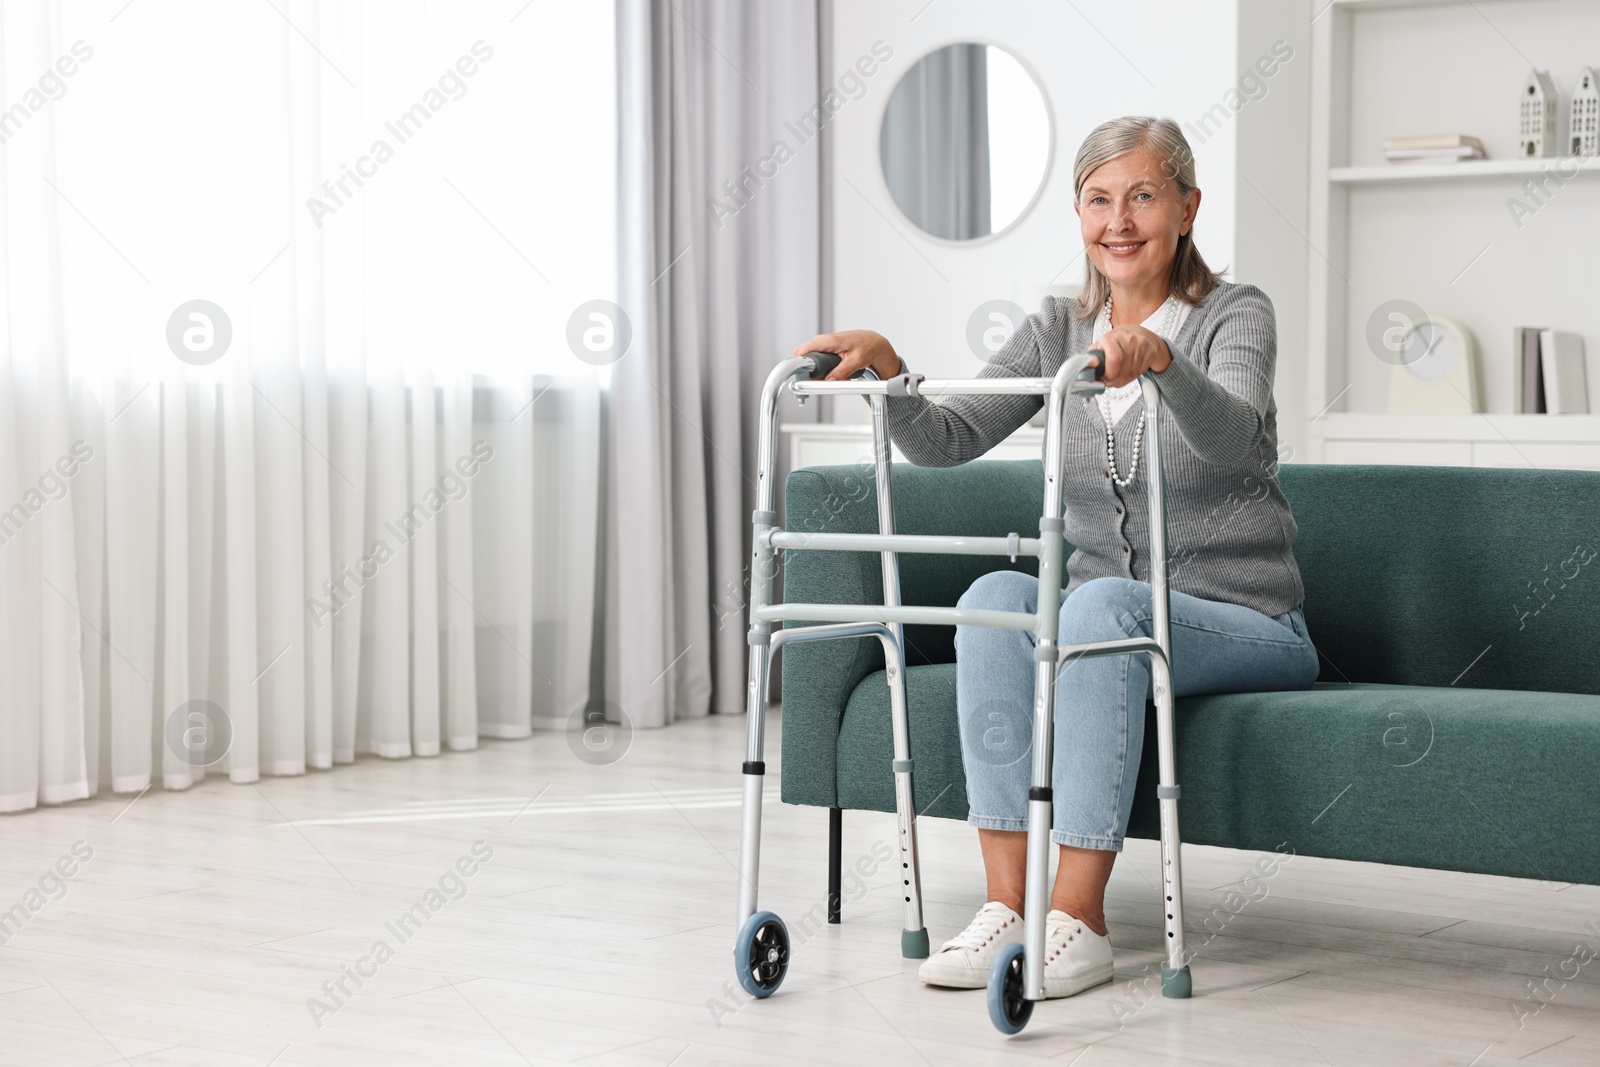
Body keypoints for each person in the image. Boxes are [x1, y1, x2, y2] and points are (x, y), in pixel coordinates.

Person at [792, 116, 1320, 999]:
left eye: (1143, 196)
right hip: (1101, 620)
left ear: (1187, 207)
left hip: (1250, 624)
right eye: (1099, 199)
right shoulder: (1055, 327)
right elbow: (951, 438)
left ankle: (1078, 919)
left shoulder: (1236, 315)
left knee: (1100, 606)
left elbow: (1234, 438)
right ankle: (1010, 903)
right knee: (996, 595)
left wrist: (1163, 365)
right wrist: (893, 375)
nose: (1120, 220)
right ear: (1079, 214)